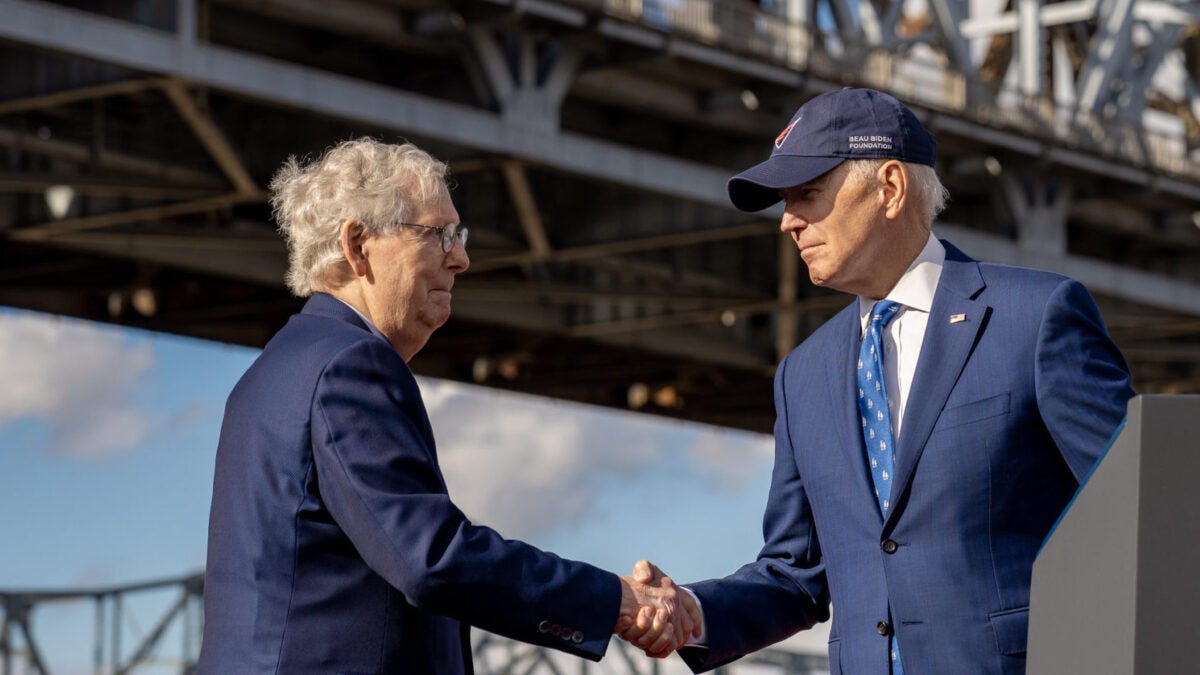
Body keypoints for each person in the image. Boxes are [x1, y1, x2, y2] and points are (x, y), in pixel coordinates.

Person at [630, 88, 1135, 674]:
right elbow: (796, 575)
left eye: (808, 195)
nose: (788, 222)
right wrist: (691, 609)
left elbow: (1142, 513)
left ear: (889, 188)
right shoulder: (803, 375)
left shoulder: (1036, 318)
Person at [197, 138, 698, 673]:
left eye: (458, 235)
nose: (461, 258)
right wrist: (615, 601)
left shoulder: (272, 372)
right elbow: (431, 559)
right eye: (438, 235)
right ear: (358, 244)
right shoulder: (349, 366)